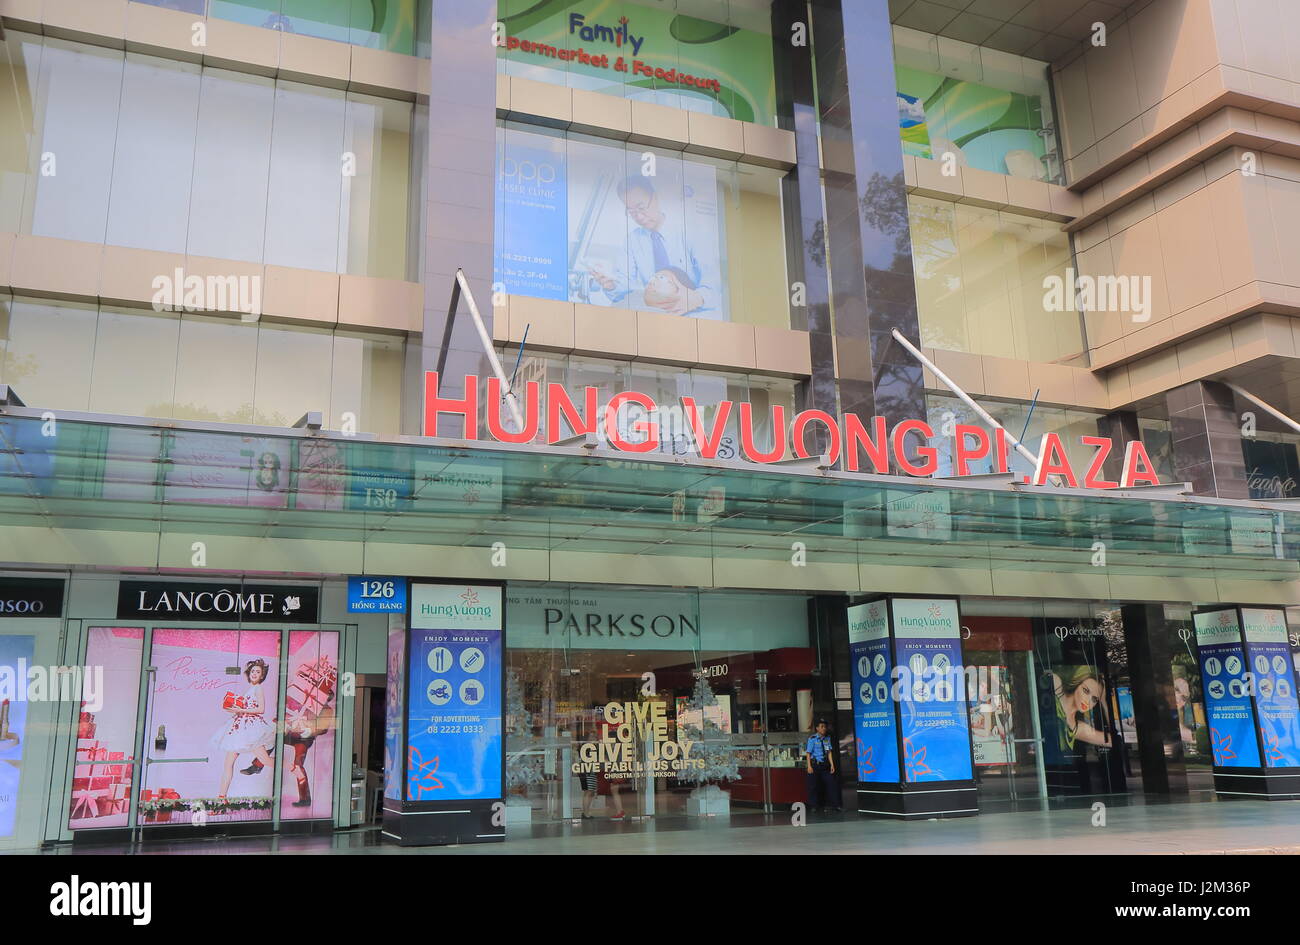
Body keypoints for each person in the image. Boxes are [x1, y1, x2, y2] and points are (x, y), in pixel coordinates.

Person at [586, 176, 719, 318]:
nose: (639, 217)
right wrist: (611, 285)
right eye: (631, 212)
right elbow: (624, 288)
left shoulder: (690, 233)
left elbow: (715, 285)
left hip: (695, 316)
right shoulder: (632, 241)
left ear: (655, 198)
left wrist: (698, 298)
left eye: (641, 208)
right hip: (655, 318)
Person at [213, 659, 276, 799]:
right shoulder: (250, 689)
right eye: (253, 671)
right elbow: (245, 709)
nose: (254, 673)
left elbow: (261, 709)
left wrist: (241, 709)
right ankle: (221, 798)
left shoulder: (258, 688)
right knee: (228, 764)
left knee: (265, 760)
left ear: (262, 676)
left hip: (250, 730)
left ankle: (292, 767)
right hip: (240, 728)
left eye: (258, 672)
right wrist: (235, 710)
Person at [1050, 667, 1112, 752]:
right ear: (1076, 683)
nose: (1088, 701)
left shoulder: (1078, 728)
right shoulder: (1057, 686)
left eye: (1094, 699)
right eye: (1086, 691)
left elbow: (1111, 740)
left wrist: (1103, 702)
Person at [805, 718, 839, 813]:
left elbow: (829, 752)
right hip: (815, 765)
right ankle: (813, 806)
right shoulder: (812, 739)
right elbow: (808, 753)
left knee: (831, 784)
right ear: (817, 728)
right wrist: (809, 766)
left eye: (825, 726)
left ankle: (835, 805)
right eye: (822, 727)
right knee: (813, 786)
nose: (824, 728)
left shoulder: (827, 739)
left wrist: (832, 765)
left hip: (824, 765)